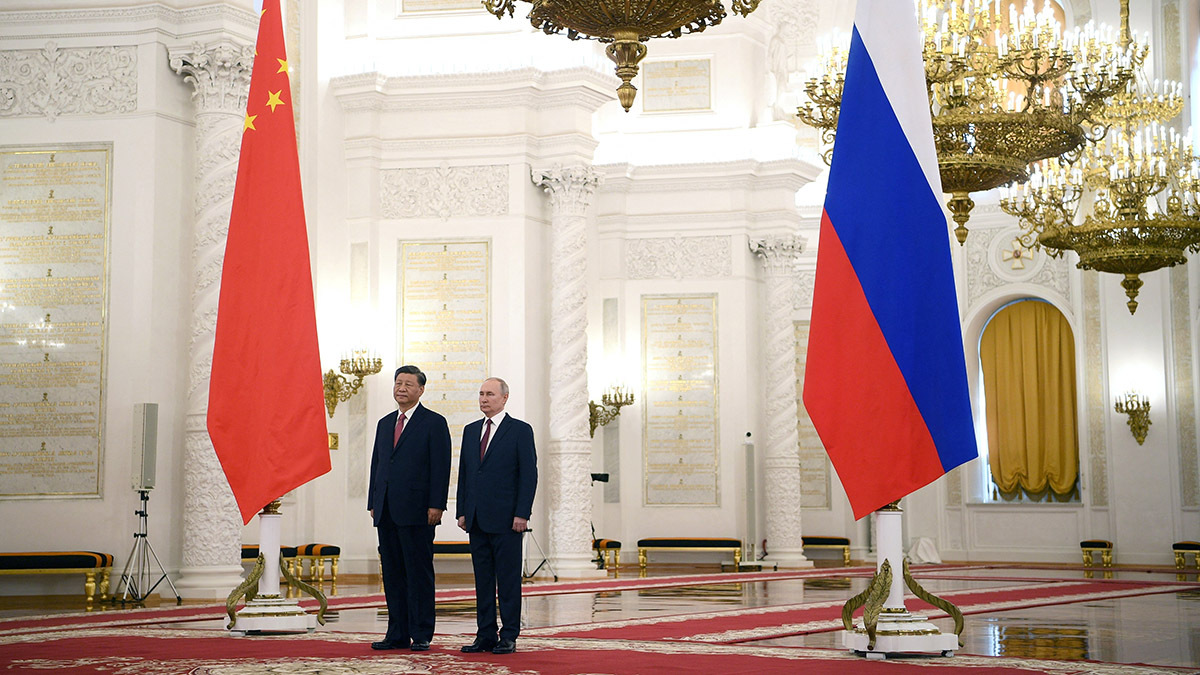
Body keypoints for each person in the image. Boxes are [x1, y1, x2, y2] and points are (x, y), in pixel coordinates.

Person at [368, 365, 451, 651]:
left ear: (421, 389)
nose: (401, 388)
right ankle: (397, 633)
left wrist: (437, 504)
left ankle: (422, 632)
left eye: (407, 384)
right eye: (397, 383)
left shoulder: (433, 422)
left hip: (418, 510)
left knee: (418, 573)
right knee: (392, 573)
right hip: (387, 509)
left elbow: (441, 467)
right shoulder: (384, 423)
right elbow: (377, 465)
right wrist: (373, 501)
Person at [456, 377, 537, 655]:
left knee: (508, 580)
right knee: (483, 580)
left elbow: (529, 475)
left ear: (504, 398)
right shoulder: (470, 431)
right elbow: (465, 474)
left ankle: (509, 634)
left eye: (489, 394)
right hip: (476, 518)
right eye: (480, 394)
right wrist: (462, 511)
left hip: (507, 520)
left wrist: (522, 513)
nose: (483, 399)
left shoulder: (520, 430)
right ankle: (485, 634)